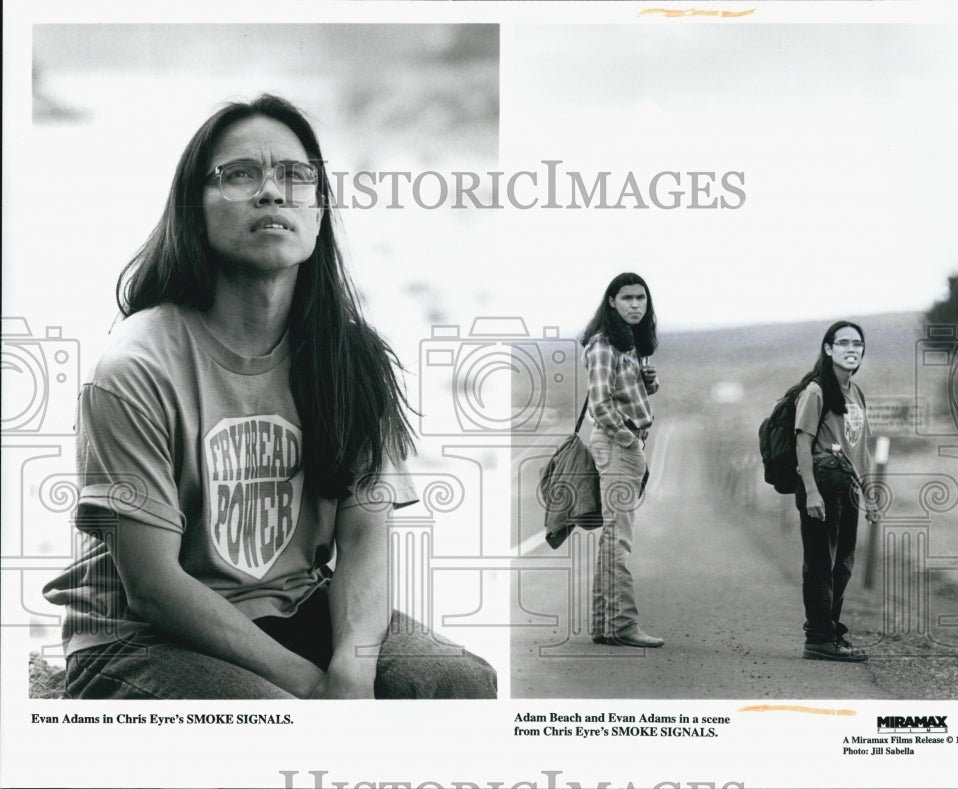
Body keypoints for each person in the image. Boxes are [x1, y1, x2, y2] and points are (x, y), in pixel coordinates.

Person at [42, 94, 496, 699]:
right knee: (275, 719)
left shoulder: (348, 358)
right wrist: (311, 688)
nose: (272, 192)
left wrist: (353, 668)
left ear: (319, 208)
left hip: (294, 608)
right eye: (238, 175)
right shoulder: (134, 367)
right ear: (192, 209)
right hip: (137, 636)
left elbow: (364, 536)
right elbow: (151, 585)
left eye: (295, 175)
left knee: (458, 682)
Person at [580, 272, 663, 648]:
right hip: (618, 444)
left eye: (641, 299)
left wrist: (646, 384)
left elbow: (620, 391)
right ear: (611, 301)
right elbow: (599, 402)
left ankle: (605, 625)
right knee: (619, 540)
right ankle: (623, 625)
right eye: (627, 298)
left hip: (625, 444)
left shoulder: (628, 344)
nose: (635, 305)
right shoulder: (603, 346)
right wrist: (628, 438)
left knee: (613, 538)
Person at [793, 320, 879, 662]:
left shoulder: (855, 393)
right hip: (823, 486)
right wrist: (811, 492)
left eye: (857, 344)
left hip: (850, 489)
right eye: (842, 343)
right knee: (819, 563)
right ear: (828, 349)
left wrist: (870, 494)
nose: (851, 349)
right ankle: (818, 639)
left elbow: (861, 449)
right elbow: (802, 442)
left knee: (842, 565)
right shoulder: (816, 391)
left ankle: (830, 630)